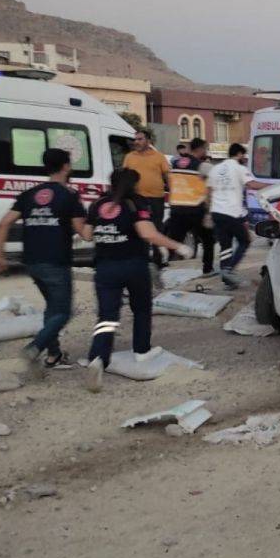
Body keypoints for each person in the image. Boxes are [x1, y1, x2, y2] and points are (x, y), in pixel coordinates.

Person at [80, 168, 193, 392]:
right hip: (134, 266)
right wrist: (178, 246)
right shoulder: (136, 203)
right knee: (141, 309)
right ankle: (141, 351)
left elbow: (86, 234)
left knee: (107, 316)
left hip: (104, 267)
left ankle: (98, 359)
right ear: (135, 184)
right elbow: (147, 233)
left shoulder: (97, 204)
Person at [0, 149, 86, 377]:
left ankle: (54, 355)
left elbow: (3, 224)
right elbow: (82, 230)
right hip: (56, 261)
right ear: (66, 167)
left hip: (32, 262)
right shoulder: (69, 196)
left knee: (52, 307)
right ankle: (35, 347)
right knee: (63, 312)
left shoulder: (30, 194)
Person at [207, 144, 269, 288]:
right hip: (232, 213)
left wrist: (208, 212)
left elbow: (209, 192)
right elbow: (252, 185)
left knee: (225, 246)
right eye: (244, 156)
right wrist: (271, 185)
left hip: (217, 212)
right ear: (239, 154)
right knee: (245, 240)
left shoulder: (215, 169)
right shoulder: (239, 168)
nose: (244, 158)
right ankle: (228, 270)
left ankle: (226, 278)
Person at [165, 138, 215, 277]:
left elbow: (170, 183)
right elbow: (211, 189)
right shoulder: (203, 166)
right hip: (195, 209)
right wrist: (208, 212)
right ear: (199, 149)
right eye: (205, 149)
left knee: (174, 240)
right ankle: (207, 269)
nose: (206, 152)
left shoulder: (175, 163)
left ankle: (168, 267)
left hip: (176, 208)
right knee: (207, 240)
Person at [121, 130, 170, 268]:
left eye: (140, 139)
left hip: (156, 198)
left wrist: (173, 194)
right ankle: (140, 259)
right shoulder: (129, 157)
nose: (136, 142)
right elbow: (124, 177)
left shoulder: (159, 156)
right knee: (138, 229)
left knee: (156, 229)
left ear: (148, 141)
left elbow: (167, 176)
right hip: (137, 200)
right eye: (135, 139)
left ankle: (158, 260)